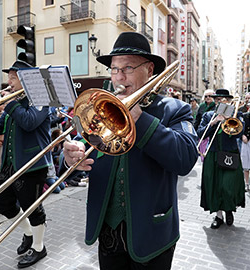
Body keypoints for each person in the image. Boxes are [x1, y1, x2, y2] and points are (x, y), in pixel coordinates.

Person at [61, 32, 198, 269]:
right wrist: (71, 158)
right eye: (114, 69)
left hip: (152, 234)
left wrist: (140, 119)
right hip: (107, 231)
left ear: (150, 69)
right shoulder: (101, 106)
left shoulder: (175, 109)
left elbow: (185, 159)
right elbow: (84, 151)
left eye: (128, 68)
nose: (119, 77)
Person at [0, 60, 52, 268]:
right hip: (10, 165)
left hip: (32, 165)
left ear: (26, 79)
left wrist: (10, 104)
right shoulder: (14, 103)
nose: (9, 82)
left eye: (13, 78)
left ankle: (39, 247)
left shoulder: (40, 99)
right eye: (9, 77)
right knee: (2, 203)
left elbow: (29, 122)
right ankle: (29, 234)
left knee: (33, 208)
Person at [197, 89, 245, 229]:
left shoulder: (237, 115)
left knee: (228, 185)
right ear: (215, 101)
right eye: (219, 100)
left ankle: (229, 209)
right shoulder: (208, 115)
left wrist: (233, 120)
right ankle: (218, 215)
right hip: (213, 154)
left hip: (230, 153)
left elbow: (239, 133)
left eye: (225, 100)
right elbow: (200, 133)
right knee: (214, 185)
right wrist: (213, 122)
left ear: (230, 102)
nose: (221, 102)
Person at [241, 103, 250, 191]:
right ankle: (246, 183)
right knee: (246, 163)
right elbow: (240, 128)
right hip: (246, 141)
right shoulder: (245, 116)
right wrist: (242, 136)